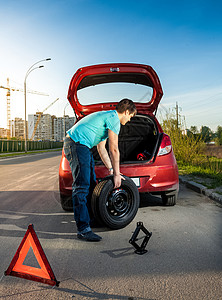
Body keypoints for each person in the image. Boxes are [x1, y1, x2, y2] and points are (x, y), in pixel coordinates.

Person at [63, 98, 137, 242]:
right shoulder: (114, 118)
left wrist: (111, 169)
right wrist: (116, 174)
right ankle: (83, 229)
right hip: (76, 144)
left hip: (81, 145)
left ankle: (90, 220)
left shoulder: (108, 117)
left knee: (91, 184)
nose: (129, 120)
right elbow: (114, 149)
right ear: (127, 112)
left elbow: (101, 148)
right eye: (130, 117)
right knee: (81, 187)